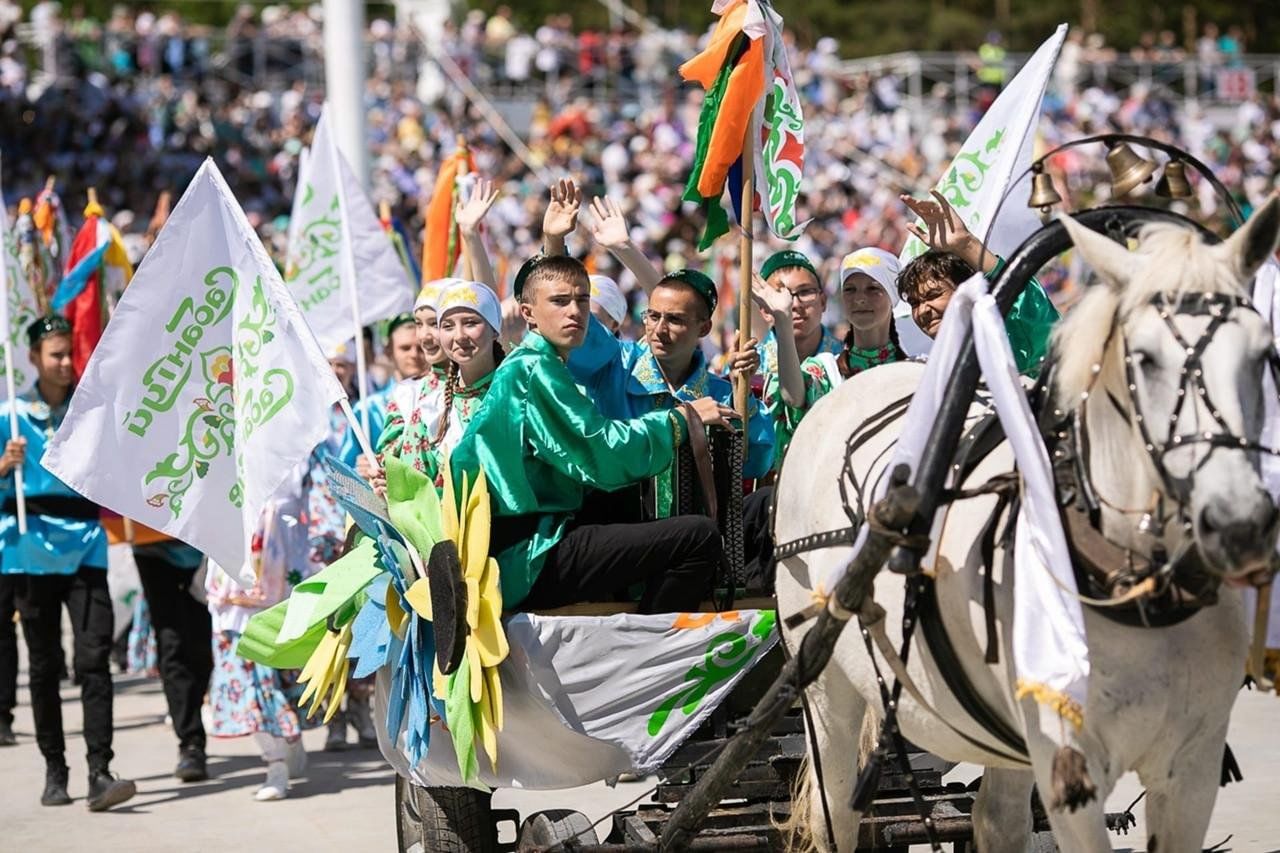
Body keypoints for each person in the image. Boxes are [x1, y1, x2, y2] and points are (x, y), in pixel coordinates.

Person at [451, 255, 739, 613]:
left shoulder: (542, 363)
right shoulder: (534, 368)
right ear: (528, 313)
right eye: (559, 301)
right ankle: (648, 657)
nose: (575, 311)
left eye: (583, 300)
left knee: (632, 504)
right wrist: (683, 418)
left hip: (530, 541)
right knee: (700, 537)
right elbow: (601, 453)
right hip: (527, 556)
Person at [0, 315, 135, 810]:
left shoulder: (89, 409)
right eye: (54, 355)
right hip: (29, 551)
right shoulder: (9, 416)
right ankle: (55, 769)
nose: (63, 363)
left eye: (67, 354)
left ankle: (100, 769)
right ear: (34, 357)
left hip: (86, 546)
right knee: (43, 666)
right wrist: (4, 465)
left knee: (93, 659)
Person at [569, 267, 774, 493]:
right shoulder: (614, 364)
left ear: (704, 327)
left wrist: (740, 392)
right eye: (653, 316)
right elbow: (568, 323)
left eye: (674, 319)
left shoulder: (720, 395)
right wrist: (555, 242)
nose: (659, 330)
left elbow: (756, 463)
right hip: (613, 516)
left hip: (695, 524)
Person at [205, 464, 314, 801]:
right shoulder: (216, 439)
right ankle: (276, 761)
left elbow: (305, 499)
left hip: (278, 576)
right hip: (230, 588)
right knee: (245, 686)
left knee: (275, 682)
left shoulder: (289, 440)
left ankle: (285, 747)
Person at [756, 248, 907, 466]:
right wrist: (782, 319)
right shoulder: (826, 368)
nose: (860, 299)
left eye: (873, 288)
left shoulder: (914, 368)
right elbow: (793, 397)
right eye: (851, 290)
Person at [898, 191, 1058, 375]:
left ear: (969, 292)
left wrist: (966, 245)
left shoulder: (1014, 340)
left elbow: (1024, 298)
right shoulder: (935, 373)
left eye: (933, 295)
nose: (923, 310)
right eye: (914, 303)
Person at [130, 534, 213, 782]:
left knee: (201, 647)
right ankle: (191, 743)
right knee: (171, 644)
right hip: (152, 548)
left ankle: (193, 709)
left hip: (204, 547)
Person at [337, 313, 427, 472]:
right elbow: (342, 475)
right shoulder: (368, 410)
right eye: (405, 348)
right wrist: (358, 471)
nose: (413, 354)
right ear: (388, 351)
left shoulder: (441, 401)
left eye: (420, 347)